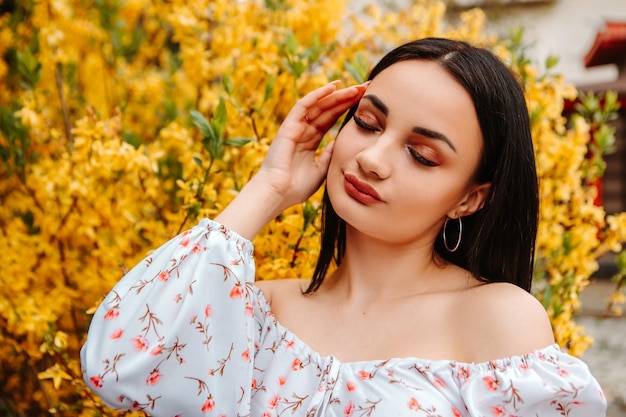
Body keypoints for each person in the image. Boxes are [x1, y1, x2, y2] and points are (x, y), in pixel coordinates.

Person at [81, 38, 607, 416]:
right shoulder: (258, 313)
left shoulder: (496, 319)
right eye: (368, 123)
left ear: (469, 198)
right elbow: (114, 366)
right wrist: (267, 191)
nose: (374, 158)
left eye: (422, 155)